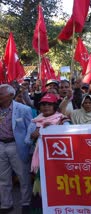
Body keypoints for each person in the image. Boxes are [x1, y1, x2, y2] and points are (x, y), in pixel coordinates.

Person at [25, 93, 70, 213]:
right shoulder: (35, 121)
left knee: (58, 187)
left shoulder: (62, 119)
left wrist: (54, 130)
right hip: (40, 161)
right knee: (42, 189)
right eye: (43, 104)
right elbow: (27, 141)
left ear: (55, 106)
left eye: (49, 105)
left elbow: (70, 135)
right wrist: (33, 135)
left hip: (58, 161)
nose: (46, 107)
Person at [0, 84, 33, 212]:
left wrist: (28, 144)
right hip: (1, 145)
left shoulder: (23, 109)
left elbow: (31, 128)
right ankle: (6, 204)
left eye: (1, 94)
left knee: (23, 176)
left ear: (10, 95)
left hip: (17, 145)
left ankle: (26, 203)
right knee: (3, 177)